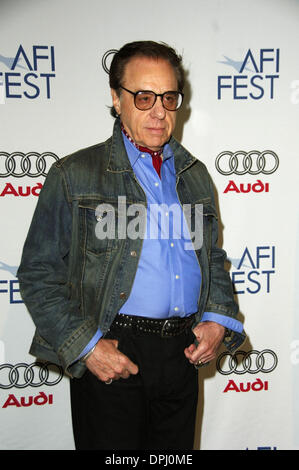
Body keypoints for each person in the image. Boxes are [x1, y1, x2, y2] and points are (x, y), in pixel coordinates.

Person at [17, 40, 245, 450]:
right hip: (114, 350)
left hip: (182, 352)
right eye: (143, 97)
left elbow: (211, 257)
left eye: (169, 97)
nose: (159, 111)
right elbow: (38, 272)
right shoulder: (75, 174)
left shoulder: (194, 175)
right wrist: (87, 347)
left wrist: (216, 319)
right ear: (116, 99)